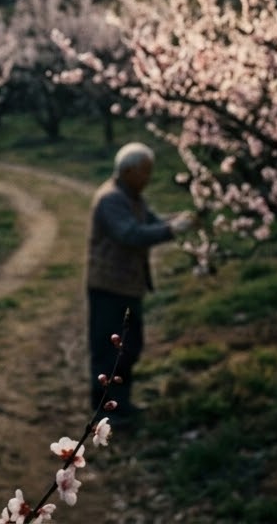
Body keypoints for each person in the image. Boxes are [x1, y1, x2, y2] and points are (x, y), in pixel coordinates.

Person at [86, 141, 193, 422]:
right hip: (109, 287)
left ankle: (121, 403)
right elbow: (130, 234)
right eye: (145, 172)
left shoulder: (133, 197)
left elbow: (151, 223)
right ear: (128, 170)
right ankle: (106, 410)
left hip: (127, 287)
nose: (148, 178)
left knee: (129, 347)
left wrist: (179, 221)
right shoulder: (111, 199)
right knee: (109, 352)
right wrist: (172, 229)